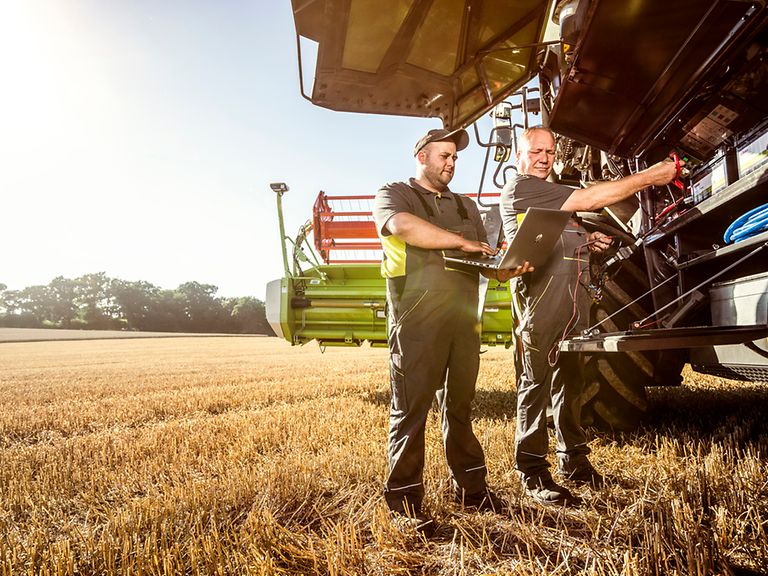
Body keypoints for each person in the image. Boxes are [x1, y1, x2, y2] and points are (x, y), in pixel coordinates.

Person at [500, 126, 680, 506]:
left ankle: (574, 460)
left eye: (549, 151)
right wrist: (652, 176)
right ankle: (532, 470)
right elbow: (590, 198)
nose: (543, 158)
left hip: (573, 302)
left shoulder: (554, 200)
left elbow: (560, 238)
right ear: (520, 156)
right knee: (535, 384)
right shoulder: (522, 188)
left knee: (572, 380)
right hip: (542, 302)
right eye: (535, 151)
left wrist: (589, 243)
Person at [372, 128, 532, 534]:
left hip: (463, 319)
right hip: (416, 320)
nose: (451, 162)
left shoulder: (466, 206)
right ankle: (404, 503)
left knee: (459, 409)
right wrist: (461, 244)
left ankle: (472, 491)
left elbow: (481, 259)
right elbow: (405, 228)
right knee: (410, 411)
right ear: (422, 156)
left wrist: (506, 270)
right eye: (443, 155)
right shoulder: (395, 194)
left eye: (455, 158)